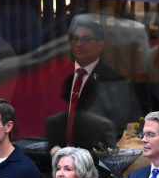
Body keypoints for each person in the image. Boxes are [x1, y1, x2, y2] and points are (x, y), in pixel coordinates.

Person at [49, 15, 141, 151]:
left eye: (86, 39)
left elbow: (119, 124)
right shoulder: (60, 75)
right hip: (58, 152)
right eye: (75, 38)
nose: (79, 44)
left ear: (100, 45)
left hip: (97, 155)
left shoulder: (112, 79)